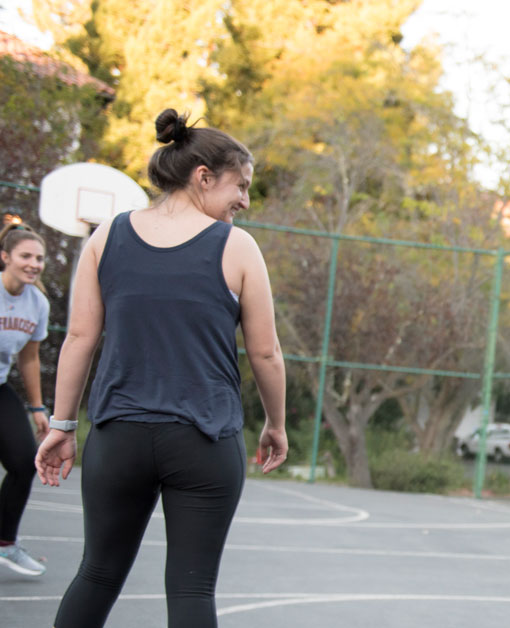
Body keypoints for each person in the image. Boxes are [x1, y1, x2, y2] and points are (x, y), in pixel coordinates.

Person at [34, 108, 288, 627]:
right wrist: (276, 424)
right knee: (193, 589)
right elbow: (265, 353)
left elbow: (80, 337)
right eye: (240, 186)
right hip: (203, 437)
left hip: (118, 436)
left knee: (97, 574)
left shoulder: (106, 236)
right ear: (203, 177)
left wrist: (62, 425)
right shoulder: (237, 247)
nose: (244, 200)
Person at [0, 222, 51, 576]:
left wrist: (37, 407)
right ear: (5, 258)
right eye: (26, 256)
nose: (34, 263)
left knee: (22, 462)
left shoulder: (37, 304)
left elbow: (29, 358)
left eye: (40, 258)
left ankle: (5, 543)